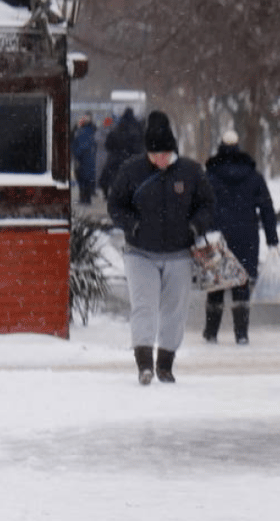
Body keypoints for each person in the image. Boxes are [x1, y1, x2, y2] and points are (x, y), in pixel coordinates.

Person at [107, 111, 216, 385]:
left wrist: (195, 226)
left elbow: (207, 205)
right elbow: (115, 205)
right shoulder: (132, 170)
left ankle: (165, 364)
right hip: (140, 252)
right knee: (144, 306)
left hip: (180, 253)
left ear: (174, 150)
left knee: (174, 310)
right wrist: (132, 225)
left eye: (165, 154)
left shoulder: (191, 172)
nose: (160, 160)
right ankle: (144, 364)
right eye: (155, 154)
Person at [203, 130, 279, 344]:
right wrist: (272, 239)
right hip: (246, 236)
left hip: (216, 237)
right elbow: (267, 208)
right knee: (242, 284)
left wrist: (196, 233)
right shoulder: (253, 176)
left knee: (216, 284)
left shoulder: (209, 176)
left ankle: (211, 332)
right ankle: (242, 333)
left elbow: (199, 206)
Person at [99, 107, 144, 198]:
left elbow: (108, 144)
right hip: (133, 158)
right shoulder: (137, 128)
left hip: (117, 158)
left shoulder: (118, 127)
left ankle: (111, 194)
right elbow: (140, 145)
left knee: (112, 176)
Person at [71, 114, 98, 205]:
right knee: (87, 179)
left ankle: (84, 199)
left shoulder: (81, 132)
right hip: (90, 159)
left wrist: (76, 155)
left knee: (82, 179)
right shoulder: (91, 131)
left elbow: (80, 147)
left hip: (82, 160)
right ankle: (87, 199)